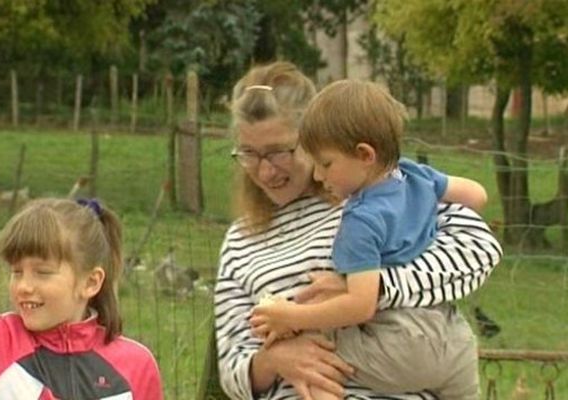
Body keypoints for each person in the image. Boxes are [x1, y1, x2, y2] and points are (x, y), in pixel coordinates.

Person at [215, 61, 502, 400]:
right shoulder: (240, 241)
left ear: (314, 140)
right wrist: (274, 359)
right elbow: (232, 367)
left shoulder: (378, 194)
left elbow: (479, 250)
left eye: (280, 152)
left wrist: (373, 289)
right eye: (249, 154)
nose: (264, 171)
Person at [0, 198, 163, 400]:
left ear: (90, 283)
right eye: (17, 272)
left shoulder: (137, 365)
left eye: (42, 272)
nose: (24, 286)